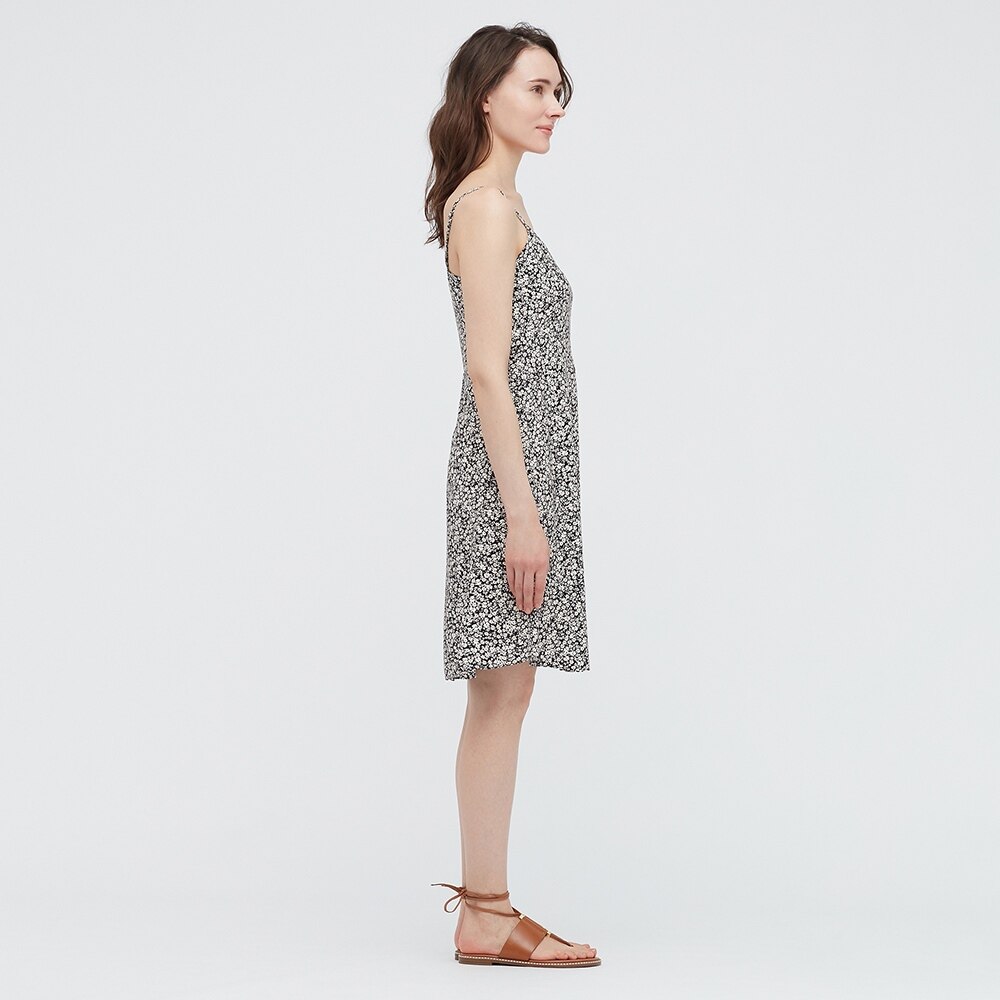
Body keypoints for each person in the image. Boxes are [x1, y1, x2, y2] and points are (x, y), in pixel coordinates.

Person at [423, 23, 600, 969]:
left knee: (507, 687)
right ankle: (485, 912)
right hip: (509, 482)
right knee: (500, 690)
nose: (553, 105)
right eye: (537, 87)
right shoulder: (487, 208)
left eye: (559, 90)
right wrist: (522, 516)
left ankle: (486, 909)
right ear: (486, 94)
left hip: (522, 474)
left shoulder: (495, 202)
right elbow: (488, 371)